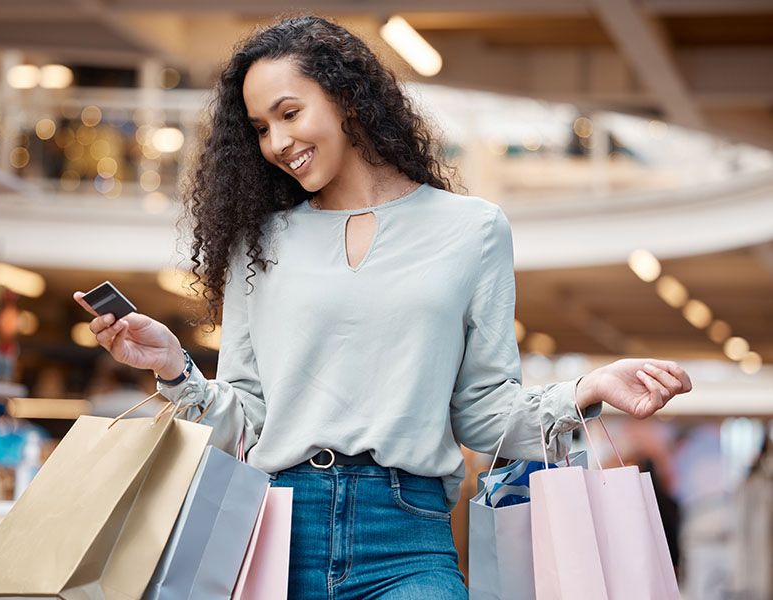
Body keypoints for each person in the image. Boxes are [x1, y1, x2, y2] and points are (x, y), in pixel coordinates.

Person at [74, 15, 693, 599]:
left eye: (290, 113)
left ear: (346, 98)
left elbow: (484, 413)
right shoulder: (257, 243)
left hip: (410, 538)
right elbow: (248, 419)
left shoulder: (472, 231)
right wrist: (175, 369)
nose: (278, 142)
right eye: (261, 128)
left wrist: (588, 388)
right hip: (275, 533)